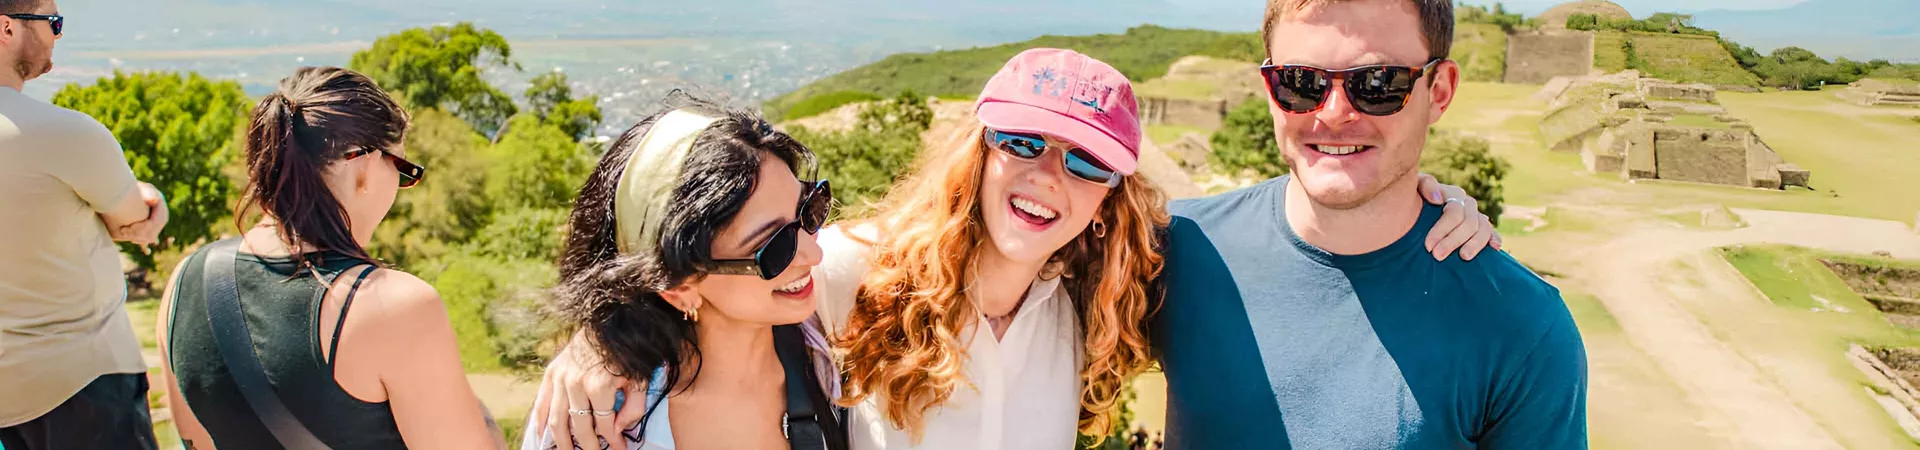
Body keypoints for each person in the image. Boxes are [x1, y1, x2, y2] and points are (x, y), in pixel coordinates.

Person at [533, 48, 1500, 450]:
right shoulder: (846, 275)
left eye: (1086, 165)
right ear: (979, 151)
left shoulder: (1110, 293)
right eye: (1024, 145)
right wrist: (605, 340)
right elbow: (717, 269)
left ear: (1114, 194)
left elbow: (1306, 241)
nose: (1047, 179)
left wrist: (1433, 203)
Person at [1151, 0, 1587, 448]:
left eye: (1378, 83)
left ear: (1439, 91)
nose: (1335, 113)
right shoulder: (1177, 248)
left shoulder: (1521, 325)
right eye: (1301, 82)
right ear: (1269, 87)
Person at [154, 66, 505, 449]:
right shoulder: (393, 306)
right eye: (403, 171)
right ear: (366, 167)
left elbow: (195, 441)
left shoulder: (186, 279)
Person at [520, 97, 844, 450]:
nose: (814, 252)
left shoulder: (836, 334)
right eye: (775, 248)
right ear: (677, 287)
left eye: (810, 210)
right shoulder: (604, 426)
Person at [0, 0, 170, 448]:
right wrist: (153, 200)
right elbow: (137, 219)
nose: (58, 34)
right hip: (84, 384)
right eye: (52, 22)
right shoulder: (66, 134)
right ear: (6, 29)